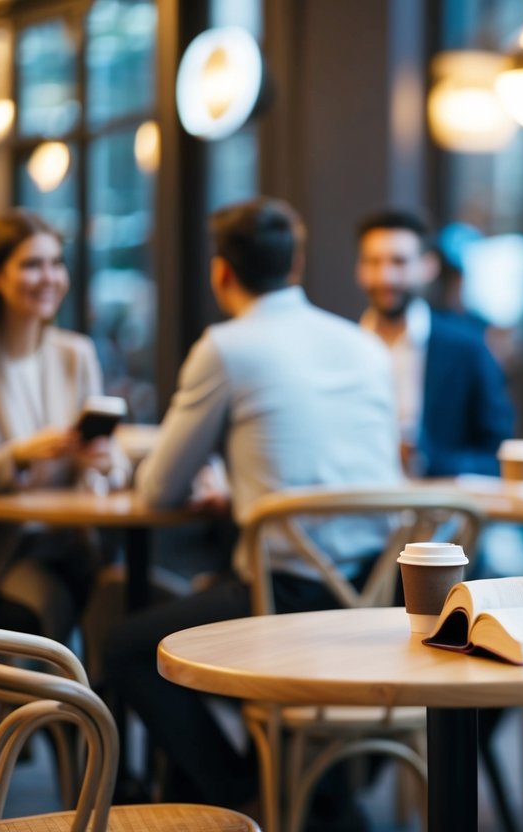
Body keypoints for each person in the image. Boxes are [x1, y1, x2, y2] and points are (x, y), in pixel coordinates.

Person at [103, 198, 402, 814]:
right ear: (295, 264)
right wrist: (247, 489)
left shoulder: (227, 346)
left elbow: (159, 489)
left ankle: (248, 798)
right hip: (381, 596)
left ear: (221, 273)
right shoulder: (364, 344)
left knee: (128, 648)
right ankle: (307, 799)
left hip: (287, 601)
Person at [0, 208, 129, 644]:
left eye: (56, 263)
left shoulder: (75, 353)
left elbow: (110, 462)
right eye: (31, 265)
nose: (49, 277)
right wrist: (20, 454)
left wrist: (99, 463)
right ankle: (54, 711)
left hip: (76, 543)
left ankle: (80, 711)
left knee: (130, 608)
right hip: (3, 551)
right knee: (49, 608)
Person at [355, 209, 514, 477]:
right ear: (359, 270)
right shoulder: (345, 349)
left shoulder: (466, 349)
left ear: (428, 266)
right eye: (373, 262)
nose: (386, 277)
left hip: (442, 511)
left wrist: (426, 460)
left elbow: (498, 454)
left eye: (399, 262)